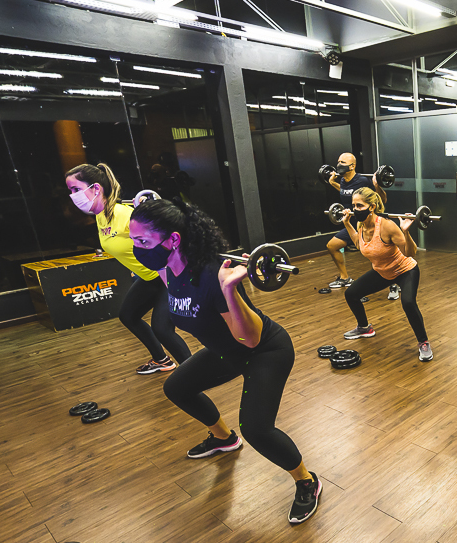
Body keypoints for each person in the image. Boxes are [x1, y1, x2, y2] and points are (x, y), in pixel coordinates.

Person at [128, 198, 321, 524]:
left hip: (264, 351)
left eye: (143, 241)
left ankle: (306, 480)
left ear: (173, 240)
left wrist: (231, 290)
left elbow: (250, 338)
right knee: (177, 387)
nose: (137, 248)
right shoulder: (167, 270)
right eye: (134, 240)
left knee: (257, 429)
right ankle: (224, 439)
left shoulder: (212, 277)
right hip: (226, 352)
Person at [65, 164, 191, 374]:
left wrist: (178, 281)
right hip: (148, 276)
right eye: (70, 191)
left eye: (76, 189)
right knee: (128, 316)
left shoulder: (125, 216)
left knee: (162, 329)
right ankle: (162, 360)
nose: (73, 196)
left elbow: (168, 243)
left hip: (167, 276)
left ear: (96, 189)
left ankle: (193, 373)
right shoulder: (101, 216)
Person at [340, 187, 433, 362]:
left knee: (408, 302)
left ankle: (423, 342)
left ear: (372, 207)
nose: (355, 209)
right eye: (353, 205)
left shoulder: (386, 226)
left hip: (405, 270)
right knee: (351, 293)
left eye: (359, 205)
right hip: (382, 272)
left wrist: (405, 231)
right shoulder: (360, 224)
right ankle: (364, 328)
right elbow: (359, 244)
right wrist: (346, 223)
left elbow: (410, 252)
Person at [325, 153, 397, 300]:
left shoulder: (362, 181)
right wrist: (333, 183)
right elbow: (346, 193)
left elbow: (382, 199)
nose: (339, 164)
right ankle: (345, 278)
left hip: (366, 223)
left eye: (343, 162)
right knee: (332, 246)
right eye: (338, 161)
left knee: (378, 255)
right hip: (351, 223)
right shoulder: (344, 180)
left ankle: (394, 283)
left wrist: (376, 185)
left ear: (352, 166)